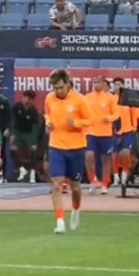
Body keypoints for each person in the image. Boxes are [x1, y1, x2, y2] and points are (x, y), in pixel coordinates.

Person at [44, 69, 92, 234]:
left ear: (68, 84)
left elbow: (90, 120)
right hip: (56, 146)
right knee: (57, 184)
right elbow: (47, 114)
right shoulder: (49, 98)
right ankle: (59, 221)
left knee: (75, 186)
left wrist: (76, 123)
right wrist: (48, 122)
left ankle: (76, 210)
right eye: (55, 88)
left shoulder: (79, 99)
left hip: (76, 147)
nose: (58, 91)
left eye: (61, 87)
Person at [85, 76, 119, 194]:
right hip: (91, 131)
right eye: (94, 82)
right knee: (89, 156)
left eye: (98, 82)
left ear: (104, 84)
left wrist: (109, 118)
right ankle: (92, 180)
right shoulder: (87, 97)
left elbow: (116, 114)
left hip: (105, 133)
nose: (96, 84)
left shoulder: (110, 98)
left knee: (106, 158)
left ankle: (105, 182)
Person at [111, 77, 137, 187]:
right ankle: (115, 176)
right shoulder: (111, 99)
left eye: (120, 84)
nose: (118, 86)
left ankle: (125, 175)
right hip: (114, 131)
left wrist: (134, 127)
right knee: (115, 154)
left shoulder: (128, 99)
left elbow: (134, 113)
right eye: (116, 84)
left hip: (127, 130)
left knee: (126, 153)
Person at [11, 90, 39, 184]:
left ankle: (32, 172)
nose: (23, 99)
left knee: (33, 150)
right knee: (13, 149)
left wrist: (34, 141)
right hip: (18, 131)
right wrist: (12, 133)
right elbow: (12, 120)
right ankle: (21, 168)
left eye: (26, 97)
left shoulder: (33, 110)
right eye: (23, 97)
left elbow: (35, 126)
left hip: (29, 132)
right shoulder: (17, 106)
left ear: (31, 100)